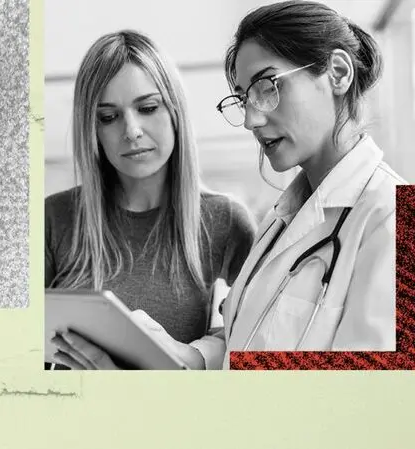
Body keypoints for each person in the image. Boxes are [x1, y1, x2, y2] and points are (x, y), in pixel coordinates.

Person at [59, 1, 407, 370]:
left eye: (266, 86)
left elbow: (377, 401)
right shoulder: (279, 223)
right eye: (244, 98)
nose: (251, 119)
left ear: (338, 73)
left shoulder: (398, 217)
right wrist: (183, 356)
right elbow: (245, 346)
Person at [45, 30, 256, 370]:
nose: (131, 130)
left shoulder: (224, 220)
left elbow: (261, 335)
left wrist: (196, 356)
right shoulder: (54, 218)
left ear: (174, 111)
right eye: (108, 117)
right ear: (92, 129)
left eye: (147, 107)